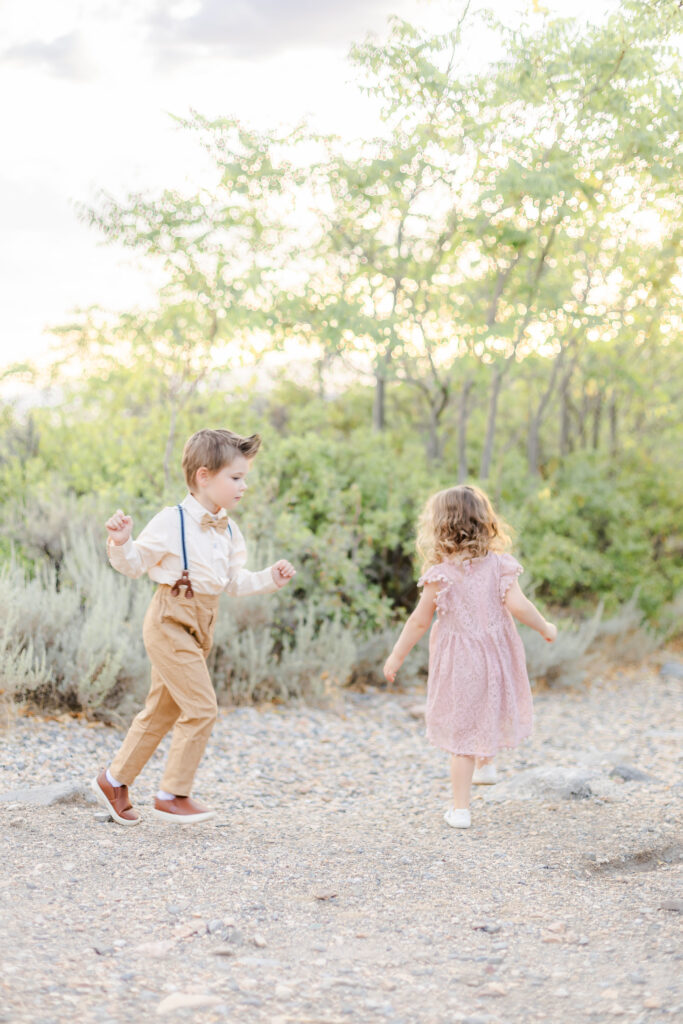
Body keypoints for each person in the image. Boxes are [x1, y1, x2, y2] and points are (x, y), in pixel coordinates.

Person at [92, 428, 295, 826]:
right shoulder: (172, 521)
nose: (244, 486)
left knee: (162, 711)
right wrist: (121, 542)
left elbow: (232, 583)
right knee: (202, 708)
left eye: (244, 477)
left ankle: (113, 780)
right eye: (235, 478)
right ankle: (172, 793)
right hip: (169, 621)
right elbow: (135, 565)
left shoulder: (229, 531)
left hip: (202, 626)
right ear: (204, 476)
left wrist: (270, 577)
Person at [383, 484, 556, 829]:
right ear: (486, 523)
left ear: (440, 527)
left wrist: (395, 657)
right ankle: (487, 765)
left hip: (459, 659)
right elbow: (519, 606)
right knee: (489, 702)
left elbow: (419, 621)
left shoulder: (441, 575)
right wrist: (545, 627)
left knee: (462, 730)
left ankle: (460, 809)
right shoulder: (500, 566)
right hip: (496, 652)